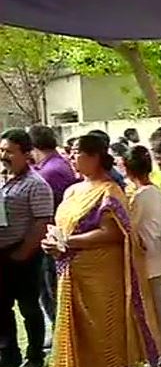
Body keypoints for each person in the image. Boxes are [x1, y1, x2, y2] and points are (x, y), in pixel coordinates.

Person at [42, 134, 157, 367]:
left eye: (77, 152)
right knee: (78, 328)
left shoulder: (110, 191)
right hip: (71, 270)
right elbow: (62, 227)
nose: (72, 157)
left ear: (95, 157)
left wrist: (69, 242)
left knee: (102, 329)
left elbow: (113, 234)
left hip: (102, 273)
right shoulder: (72, 191)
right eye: (70, 152)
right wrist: (54, 242)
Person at [0, 129, 53, 367]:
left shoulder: (36, 184)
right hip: (3, 254)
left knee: (29, 307)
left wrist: (23, 252)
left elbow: (42, 223)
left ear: (25, 153)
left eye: (9, 151)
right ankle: (9, 354)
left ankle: (34, 356)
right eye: (2, 151)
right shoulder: (3, 180)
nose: (4, 156)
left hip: (24, 254)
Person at [123, 145, 161, 367]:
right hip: (157, 258)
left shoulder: (140, 196)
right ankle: (157, 364)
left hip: (149, 261)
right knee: (156, 314)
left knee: (157, 316)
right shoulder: (156, 192)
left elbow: (129, 227)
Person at [30, 125, 78, 325]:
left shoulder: (51, 172)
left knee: (52, 292)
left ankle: (62, 333)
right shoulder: (52, 166)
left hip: (55, 238)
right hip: (53, 238)